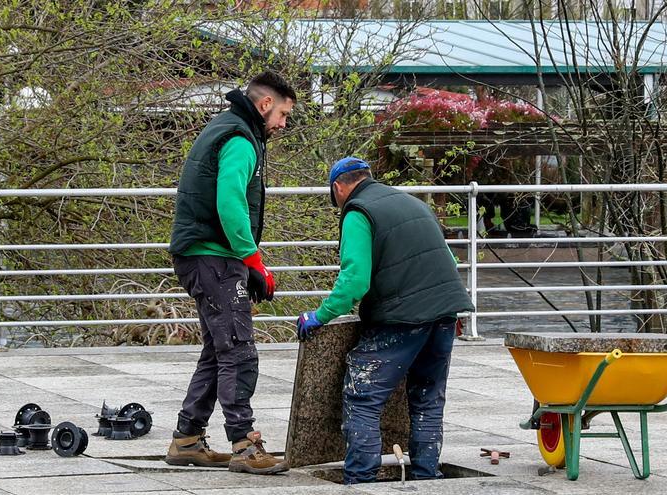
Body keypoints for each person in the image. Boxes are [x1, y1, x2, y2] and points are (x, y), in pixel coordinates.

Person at [296, 157, 474, 484]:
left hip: (402, 318)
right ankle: (426, 477)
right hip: (446, 312)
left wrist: (318, 316)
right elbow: (448, 259)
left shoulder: (358, 212)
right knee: (427, 399)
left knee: (363, 397)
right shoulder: (413, 203)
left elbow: (355, 282)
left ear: (338, 187)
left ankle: (361, 481)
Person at [165, 71, 295, 475]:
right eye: (283, 114)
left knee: (217, 350)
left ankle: (187, 439)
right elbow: (230, 203)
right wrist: (252, 258)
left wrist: (245, 258)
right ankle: (244, 444)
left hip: (203, 254)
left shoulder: (225, 127)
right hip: (213, 256)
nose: (283, 124)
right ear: (263, 105)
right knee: (239, 350)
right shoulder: (240, 139)